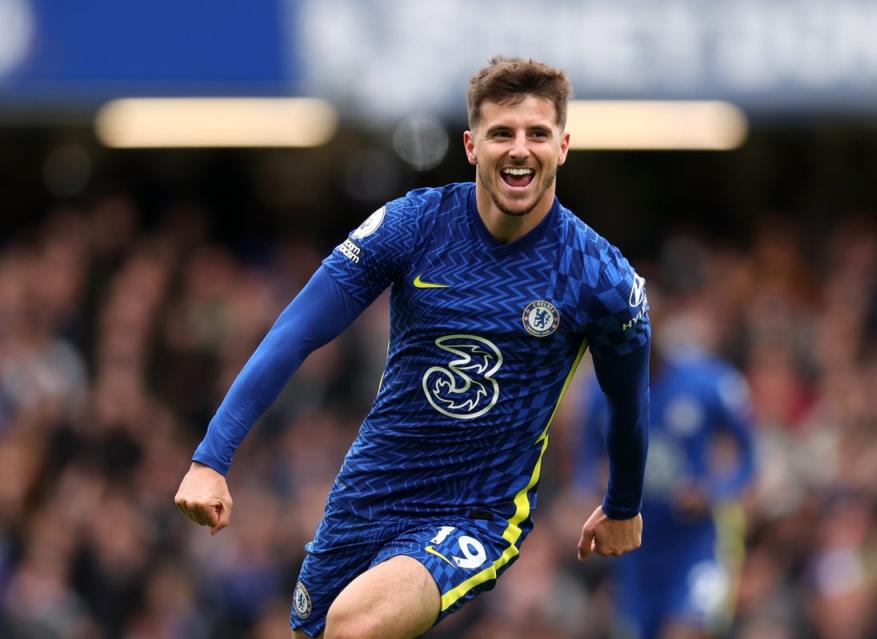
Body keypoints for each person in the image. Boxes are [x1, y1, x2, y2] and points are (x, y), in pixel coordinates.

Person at [175, 56, 652, 639]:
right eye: (502, 133)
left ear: (564, 146)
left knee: (355, 627)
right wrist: (210, 459)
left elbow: (629, 401)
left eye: (537, 134)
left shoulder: (597, 275)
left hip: (476, 513)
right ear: (472, 145)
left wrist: (623, 504)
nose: (520, 149)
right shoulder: (414, 225)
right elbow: (295, 332)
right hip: (368, 493)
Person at [575, 283, 755, 639]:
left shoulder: (707, 382)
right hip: (634, 555)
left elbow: (749, 457)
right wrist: (595, 485)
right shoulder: (600, 393)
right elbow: (583, 468)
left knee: (682, 631)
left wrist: (713, 491)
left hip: (694, 544)